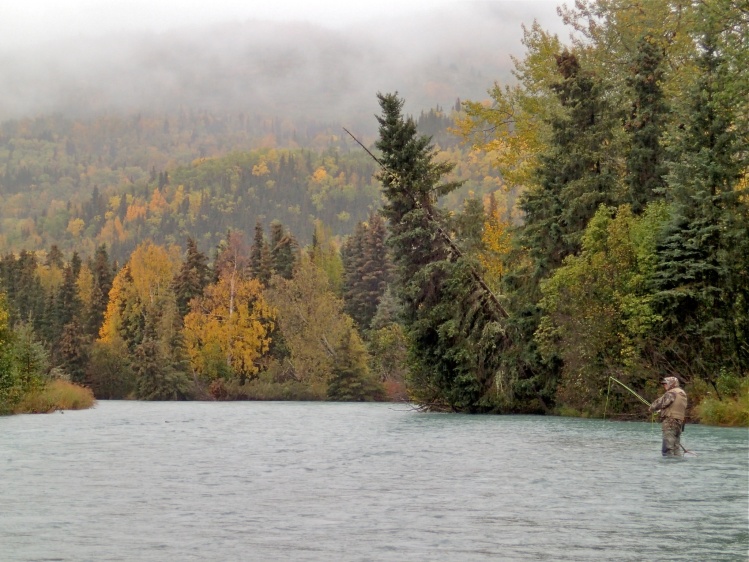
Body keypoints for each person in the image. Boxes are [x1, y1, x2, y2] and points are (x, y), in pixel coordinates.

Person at [648, 376, 688, 456]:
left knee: (667, 449)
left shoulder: (671, 393)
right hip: (679, 424)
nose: (664, 385)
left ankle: (667, 466)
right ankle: (676, 465)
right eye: (663, 384)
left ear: (672, 384)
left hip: (670, 422)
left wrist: (651, 408)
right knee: (676, 448)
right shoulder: (682, 393)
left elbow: (659, 403)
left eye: (666, 383)